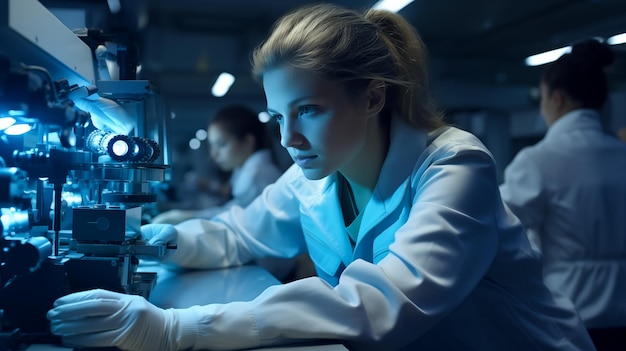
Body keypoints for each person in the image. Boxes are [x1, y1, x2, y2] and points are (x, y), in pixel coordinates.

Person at [46, 4, 596, 351]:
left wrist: (178, 330)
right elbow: (241, 232)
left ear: (373, 96)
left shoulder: (453, 166)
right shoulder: (314, 175)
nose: (288, 137)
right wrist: (162, 241)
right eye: (278, 117)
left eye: (308, 110)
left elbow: (384, 306)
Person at [499, 39, 626, 350]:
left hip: (572, 317)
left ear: (556, 99)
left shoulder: (539, 160)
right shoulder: (622, 154)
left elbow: (492, 224)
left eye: (541, 99)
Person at [151, 104, 282, 225]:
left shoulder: (257, 176)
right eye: (212, 146)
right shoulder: (248, 171)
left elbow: (235, 218)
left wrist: (188, 217)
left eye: (221, 144)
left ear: (248, 141)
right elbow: (232, 209)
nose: (214, 155)